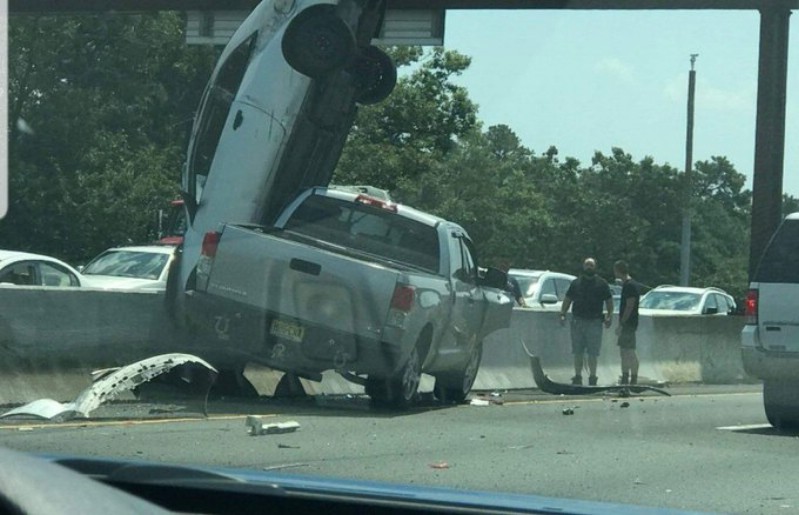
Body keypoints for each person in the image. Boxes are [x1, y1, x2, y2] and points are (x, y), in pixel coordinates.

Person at [559, 257, 613, 385]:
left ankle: (593, 377)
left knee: (593, 352)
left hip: (595, 322)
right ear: (583, 267)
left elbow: (609, 302)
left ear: (595, 267)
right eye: (587, 265)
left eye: (591, 265)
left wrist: (609, 316)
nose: (589, 267)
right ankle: (577, 376)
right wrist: (562, 314)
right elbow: (567, 300)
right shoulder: (576, 283)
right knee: (577, 351)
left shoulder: (602, 284)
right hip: (577, 321)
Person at [614, 260, 641, 385]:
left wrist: (622, 323)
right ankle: (626, 377)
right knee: (624, 351)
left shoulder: (630, 286)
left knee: (629, 351)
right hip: (630, 323)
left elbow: (629, 306)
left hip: (628, 324)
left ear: (618, 270)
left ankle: (633, 378)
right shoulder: (630, 284)